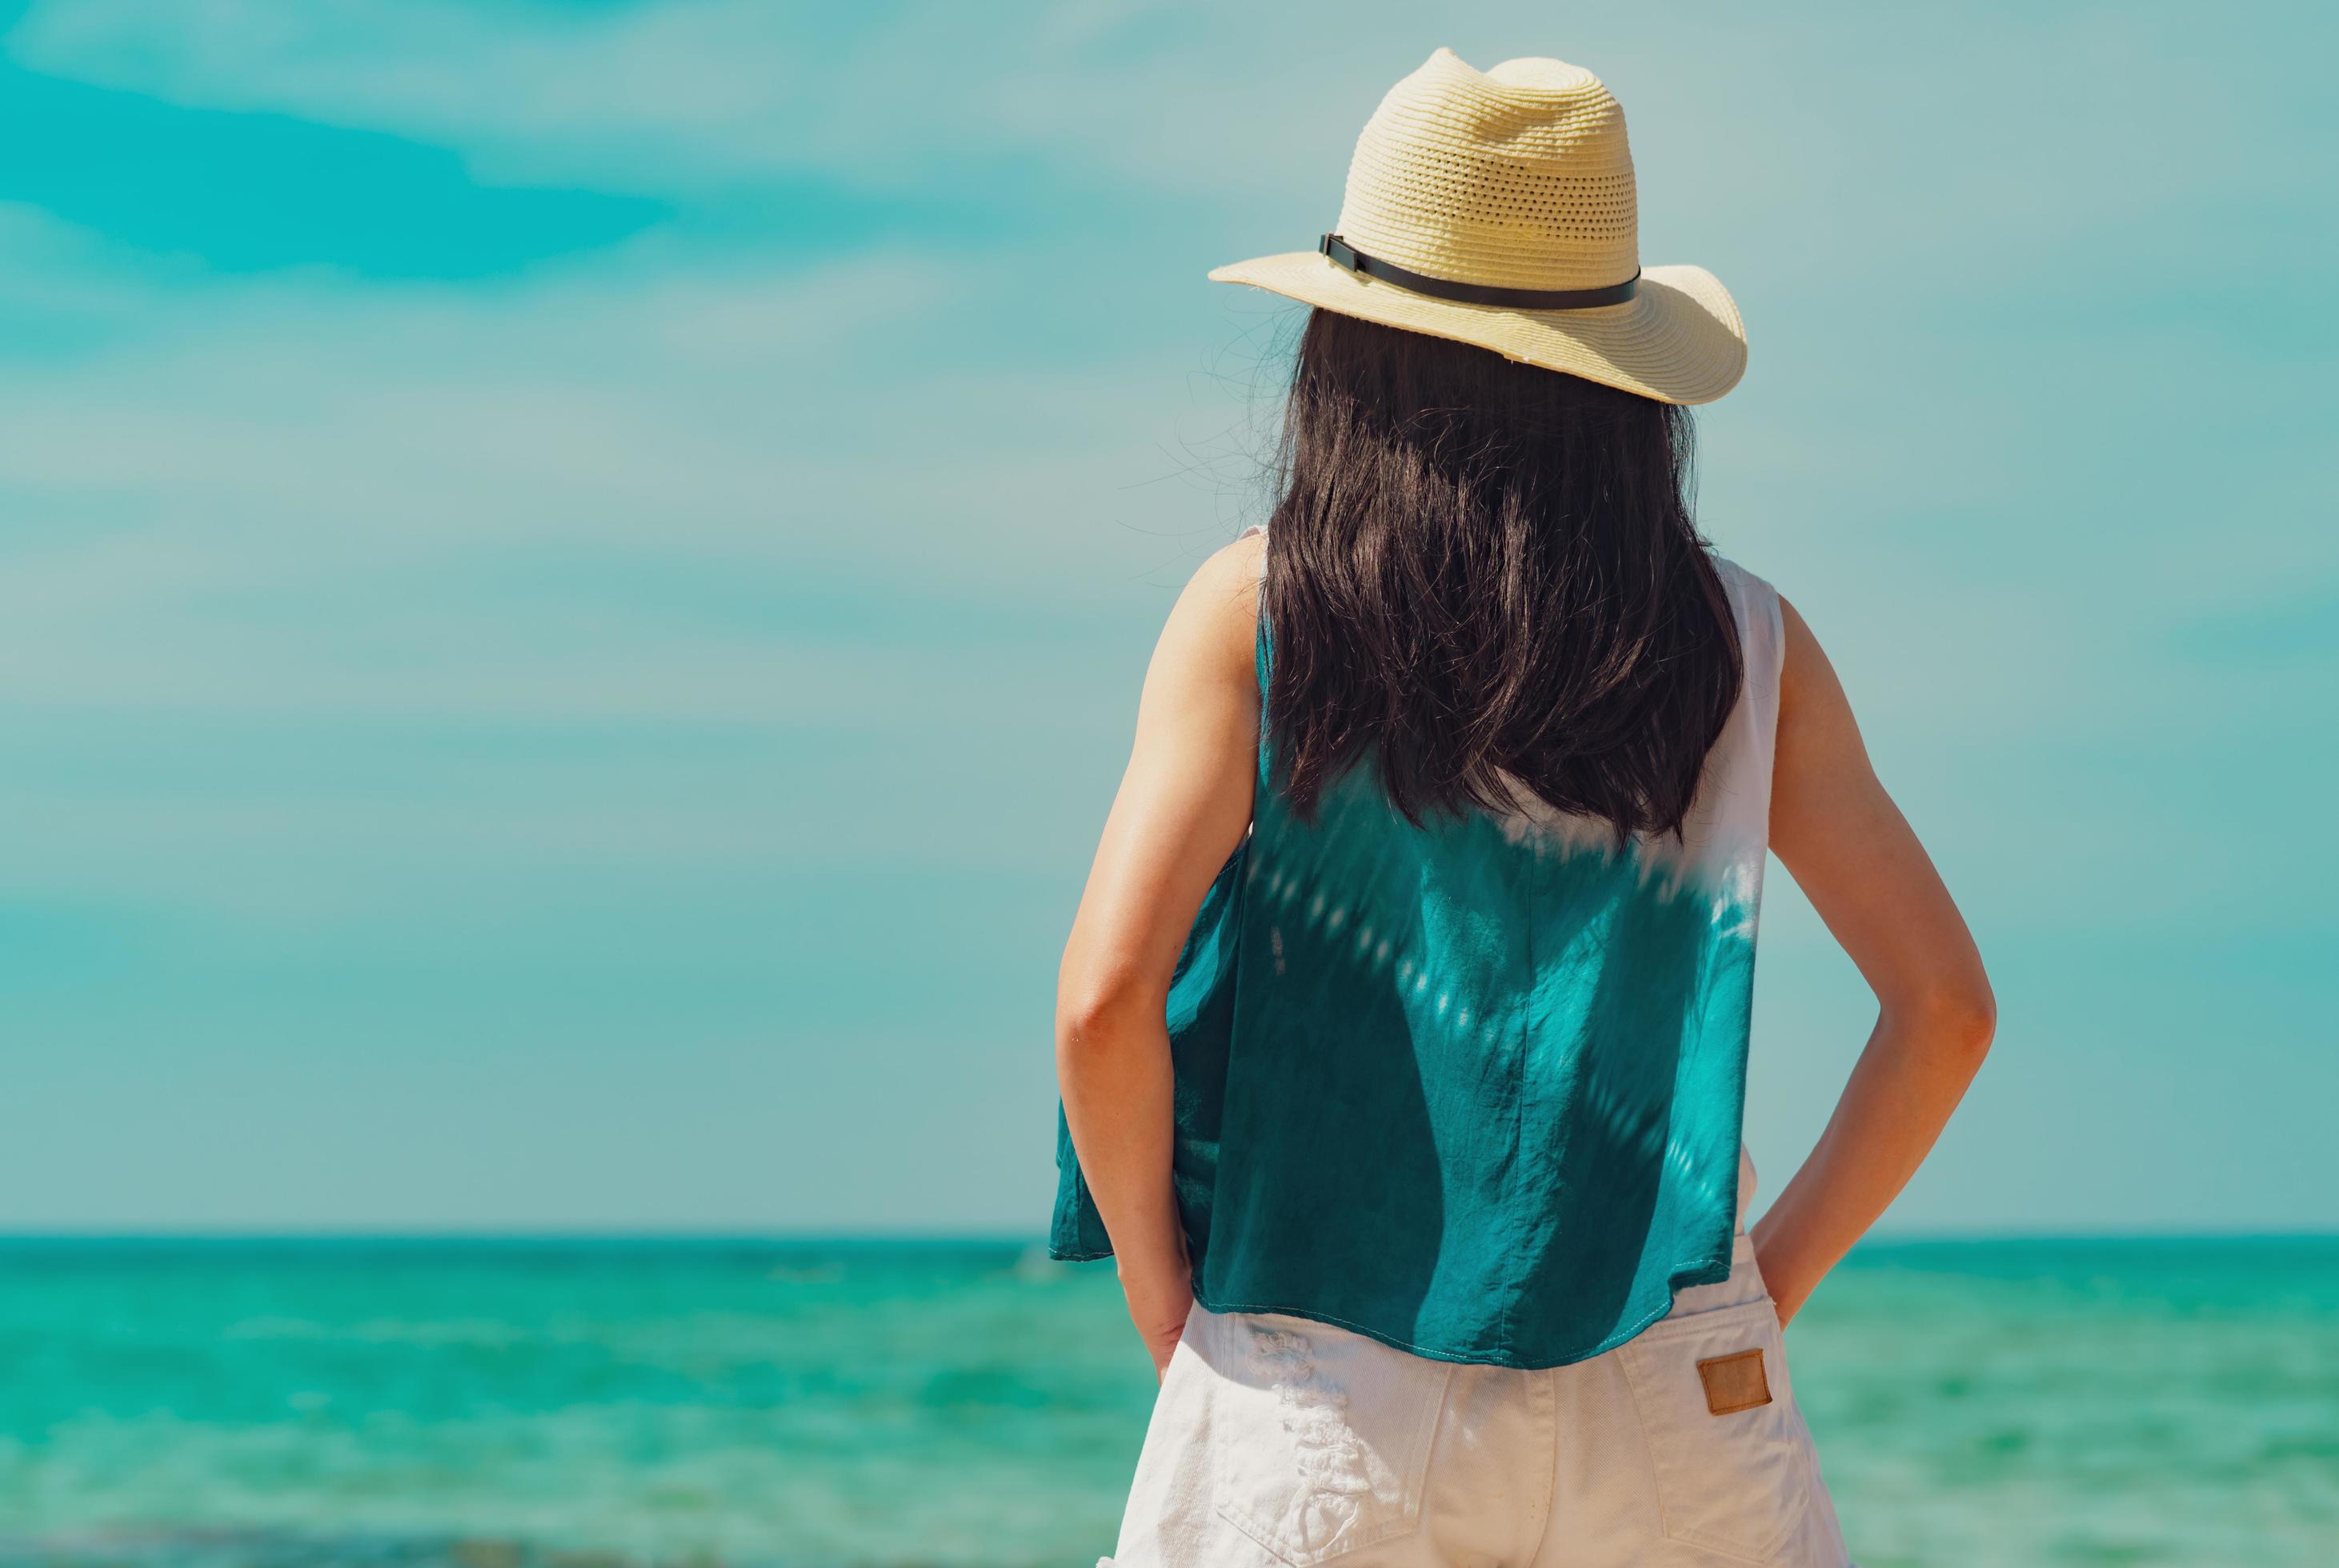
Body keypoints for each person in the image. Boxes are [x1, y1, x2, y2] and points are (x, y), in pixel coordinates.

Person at [1051, 48, 1993, 1568]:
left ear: (1353, 346)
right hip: (1676, 1382)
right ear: (1627, 377)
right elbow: (1946, 1009)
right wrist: (1762, 1280)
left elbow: (1105, 1005)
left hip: (1319, 1366)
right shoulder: (1747, 645)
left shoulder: (1260, 616)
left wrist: (1167, 1301)